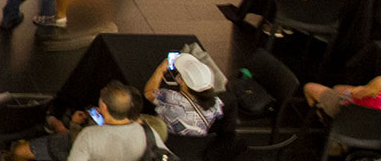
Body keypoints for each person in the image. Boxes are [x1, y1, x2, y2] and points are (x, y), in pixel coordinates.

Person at [12, 82, 169, 161]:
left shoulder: (90, 135)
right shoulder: (148, 131)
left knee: (19, 152)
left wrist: (73, 125)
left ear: (104, 108)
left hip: (66, 145)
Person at [143, 54, 224, 137]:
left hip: (163, 136)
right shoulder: (216, 103)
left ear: (182, 80)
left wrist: (161, 69)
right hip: (193, 145)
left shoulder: (172, 99)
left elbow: (149, 93)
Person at [303, 75, 381, 118]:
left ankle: (325, 123)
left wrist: (345, 89)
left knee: (309, 87)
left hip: (351, 119)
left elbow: (355, 94)